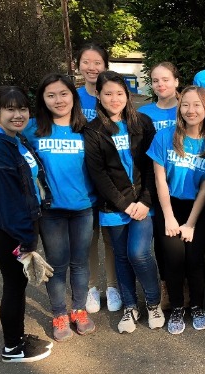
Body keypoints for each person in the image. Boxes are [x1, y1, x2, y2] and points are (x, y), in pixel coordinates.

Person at [0, 86, 54, 362]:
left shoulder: (14, 140)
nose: (18, 115)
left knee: (17, 284)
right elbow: (5, 202)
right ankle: (12, 347)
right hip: (7, 230)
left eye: (22, 109)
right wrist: (26, 243)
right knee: (14, 285)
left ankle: (16, 337)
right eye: (10, 109)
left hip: (18, 226)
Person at [83, 71, 165, 334]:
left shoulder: (143, 123)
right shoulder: (93, 131)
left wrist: (145, 201)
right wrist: (123, 204)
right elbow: (98, 174)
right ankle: (131, 306)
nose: (114, 98)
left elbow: (154, 167)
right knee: (121, 256)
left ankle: (153, 304)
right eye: (108, 93)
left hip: (143, 203)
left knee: (139, 253)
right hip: (114, 206)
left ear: (127, 95)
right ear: (98, 95)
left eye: (119, 93)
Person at [23, 73, 98, 341]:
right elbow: (3, 135)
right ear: (42, 100)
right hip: (50, 210)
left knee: (80, 262)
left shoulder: (87, 129)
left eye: (64, 94)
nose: (58, 100)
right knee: (57, 264)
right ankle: (58, 313)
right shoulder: (31, 129)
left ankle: (78, 309)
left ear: (73, 96)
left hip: (83, 208)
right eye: (51, 95)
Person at [147, 86, 205, 334]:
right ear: (179, 108)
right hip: (168, 205)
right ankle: (178, 307)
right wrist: (169, 217)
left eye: (197, 105)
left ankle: (197, 306)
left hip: (197, 209)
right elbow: (160, 180)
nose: (191, 110)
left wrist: (190, 223)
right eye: (185, 105)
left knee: (194, 258)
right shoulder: (164, 136)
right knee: (173, 259)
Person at [75, 43, 120, 314]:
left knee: (110, 234)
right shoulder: (73, 97)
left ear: (105, 65)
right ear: (78, 64)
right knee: (87, 236)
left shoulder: (112, 96)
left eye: (97, 63)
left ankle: (113, 285)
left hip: (110, 175)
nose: (92, 68)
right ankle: (92, 286)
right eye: (86, 62)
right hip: (81, 176)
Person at [138, 61, 181, 310]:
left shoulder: (187, 108)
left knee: (187, 244)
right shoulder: (144, 114)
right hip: (157, 187)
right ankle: (166, 285)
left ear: (176, 81)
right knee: (163, 242)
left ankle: (185, 284)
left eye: (166, 79)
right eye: (155, 80)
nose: (161, 84)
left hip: (186, 187)